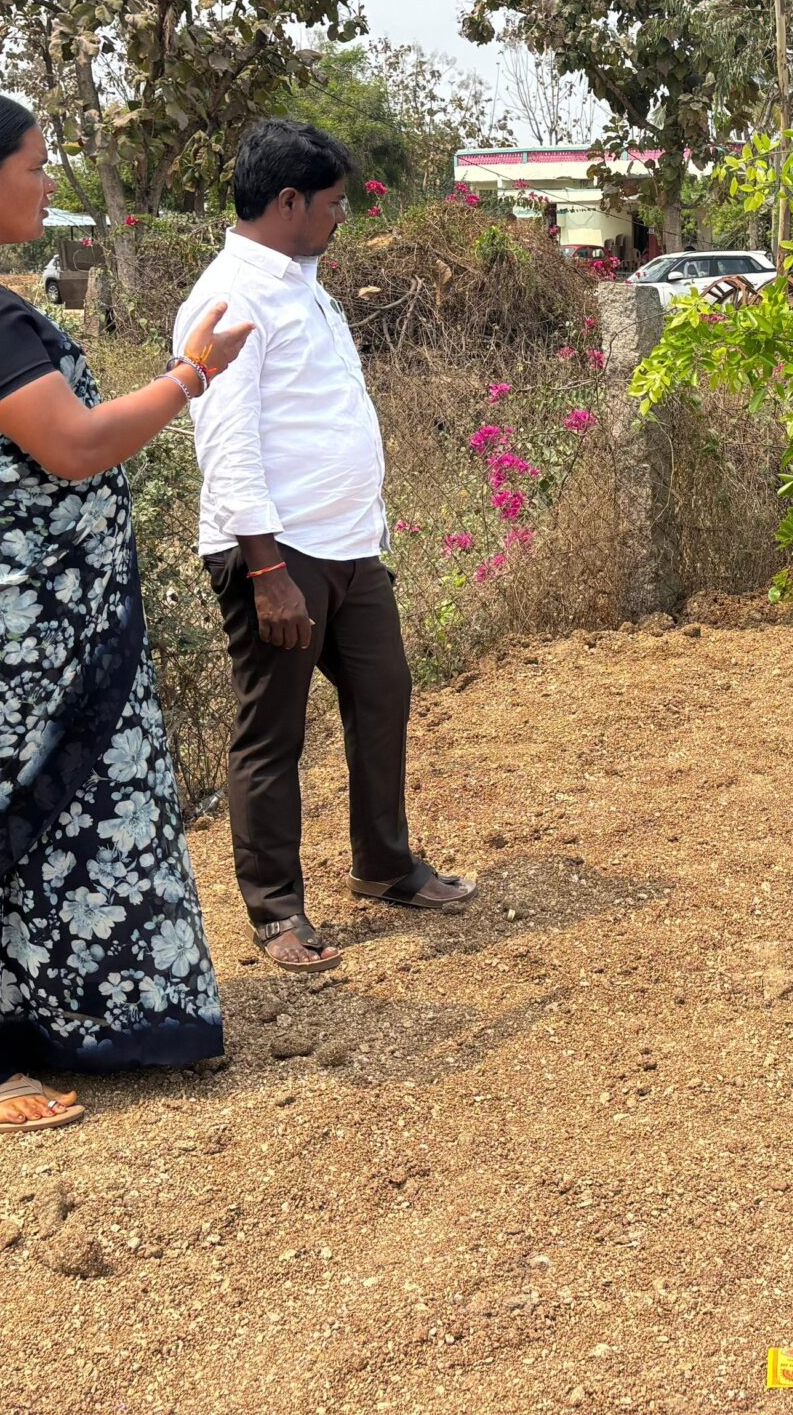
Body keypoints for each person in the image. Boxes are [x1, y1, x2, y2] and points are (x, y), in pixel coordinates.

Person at [0, 87, 250, 1133]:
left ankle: (45, 1021)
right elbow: (72, 444)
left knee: (29, 814)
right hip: (5, 623)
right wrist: (189, 378)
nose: (49, 181)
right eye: (34, 164)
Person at [176, 118, 473, 974]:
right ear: (289, 201)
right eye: (335, 203)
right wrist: (267, 570)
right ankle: (275, 909)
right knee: (272, 732)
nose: (344, 217)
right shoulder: (228, 298)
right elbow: (226, 445)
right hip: (278, 555)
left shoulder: (305, 283)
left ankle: (385, 865)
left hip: (347, 546)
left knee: (383, 697)